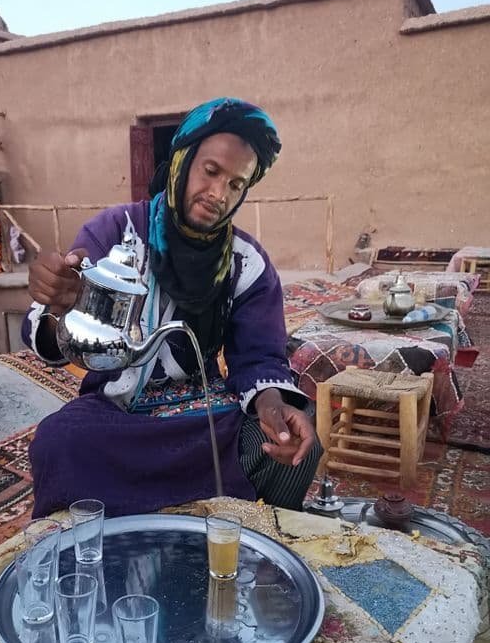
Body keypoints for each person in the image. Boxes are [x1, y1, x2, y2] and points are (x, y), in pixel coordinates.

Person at [23, 97, 322, 517]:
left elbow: (258, 356)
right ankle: (102, 557)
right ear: (183, 161)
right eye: (211, 171)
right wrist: (60, 303)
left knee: (294, 449)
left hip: (205, 417)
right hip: (117, 417)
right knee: (60, 442)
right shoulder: (116, 232)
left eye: (237, 184)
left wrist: (272, 405)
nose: (218, 193)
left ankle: (251, 550)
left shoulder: (245, 261)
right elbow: (58, 340)